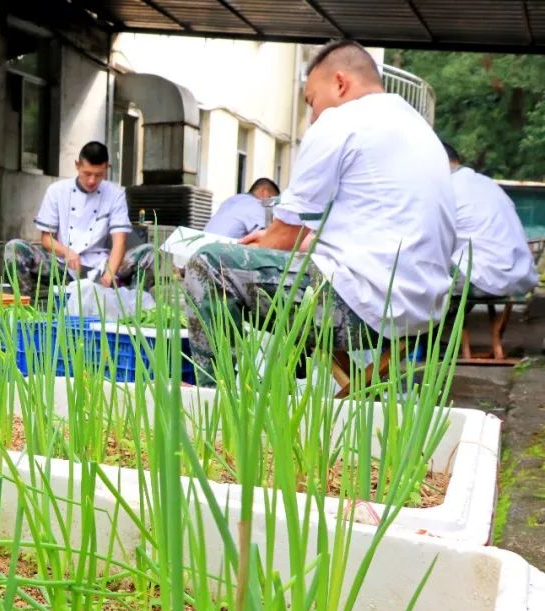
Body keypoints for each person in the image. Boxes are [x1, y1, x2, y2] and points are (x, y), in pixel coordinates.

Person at [183, 39, 456, 386]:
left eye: (312, 102)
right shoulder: (418, 130)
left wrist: (247, 253)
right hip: (421, 314)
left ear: (340, 83)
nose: (312, 118)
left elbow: (285, 236)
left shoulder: (342, 122)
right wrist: (279, 243)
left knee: (209, 266)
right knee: (255, 266)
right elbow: (370, 229)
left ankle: (214, 409)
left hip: (362, 310)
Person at [3, 141, 153, 296]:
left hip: (100, 265)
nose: (92, 181)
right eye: (87, 173)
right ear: (77, 165)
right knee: (15, 248)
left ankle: (133, 308)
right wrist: (66, 252)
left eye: (98, 175)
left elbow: (119, 241)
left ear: (106, 168)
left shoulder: (115, 194)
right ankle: (25, 305)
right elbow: (47, 239)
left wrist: (109, 275)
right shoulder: (57, 191)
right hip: (62, 266)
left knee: (149, 252)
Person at [442, 141, 538, 297]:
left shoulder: (445, 187)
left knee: (412, 258)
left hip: (481, 279)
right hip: (520, 277)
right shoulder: (486, 183)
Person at [204, 178, 280, 239]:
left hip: (202, 246)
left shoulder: (231, 200)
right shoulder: (258, 205)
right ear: (264, 192)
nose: (272, 205)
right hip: (223, 252)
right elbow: (267, 238)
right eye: (270, 198)